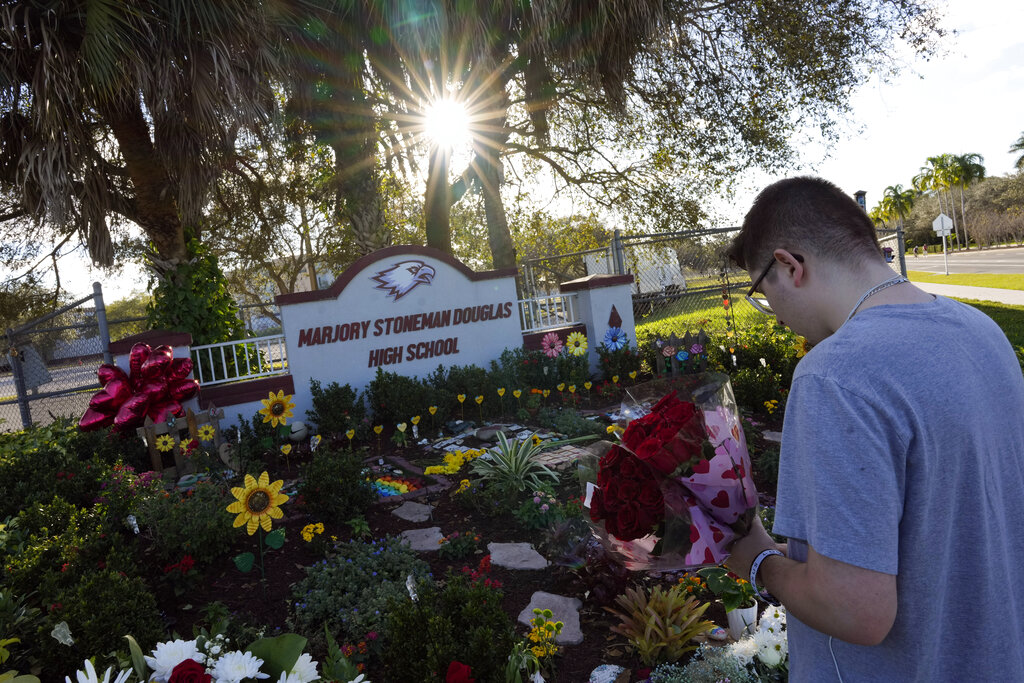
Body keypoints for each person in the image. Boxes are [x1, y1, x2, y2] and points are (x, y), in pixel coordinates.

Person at [724, 177, 1024, 681]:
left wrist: (757, 559)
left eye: (761, 290)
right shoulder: (982, 332)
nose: (774, 315)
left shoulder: (835, 375)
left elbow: (855, 612)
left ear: (789, 266)